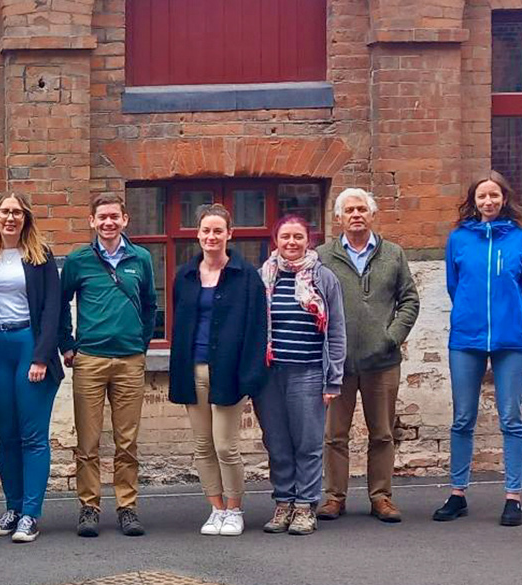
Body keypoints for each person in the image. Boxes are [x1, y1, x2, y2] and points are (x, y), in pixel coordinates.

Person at [436, 172, 522, 526]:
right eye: (482, 196)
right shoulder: (459, 239)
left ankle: (513, 497)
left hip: (511, 339)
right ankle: (457, 493)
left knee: (511, 418)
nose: (488, 201)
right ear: (474, 201)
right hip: (467, 338)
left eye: (494, 195)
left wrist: (507, 316)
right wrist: (471, 314)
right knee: (463, 418)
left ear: (504, 199)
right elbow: (454, 285)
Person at [316, 188, 420, 523]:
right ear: (338, 218)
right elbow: (313, 302)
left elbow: (409, 300)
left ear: (373, 215)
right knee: (334, 436)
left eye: (362, 209)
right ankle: (334, 497)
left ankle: (381, 497)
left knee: (382, 433)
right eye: (349, 211)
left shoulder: (393, 254)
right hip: (338, 363)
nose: (356, 215)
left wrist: (392, 337)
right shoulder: (323, 256)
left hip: (382, 362)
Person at [0, 192, 67, 544]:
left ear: (26, 218)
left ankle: (30, 513)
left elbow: (53, 309)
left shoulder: (41, 257)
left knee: (32, 435)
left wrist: (41, 356)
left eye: (16, 212)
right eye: (4, 212)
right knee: (5, 435)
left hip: (29, 344)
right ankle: (12, 508)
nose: (10, 218)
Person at [60, 191, 157, 538]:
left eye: (114, 216)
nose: (108, 222)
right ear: (92, 221)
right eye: (102, 217)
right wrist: (66, 344)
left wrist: (141, 345)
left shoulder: (141, 258)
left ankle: (127, 507)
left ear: (125, 219)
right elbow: (60, 304)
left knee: (127, 442)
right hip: (90, 360)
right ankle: (89, 507)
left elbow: (150, 305)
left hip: (129, 360)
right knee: (88, 443)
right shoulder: (79, 260)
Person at [167, 204, 268, 537]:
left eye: (218, 231)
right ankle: (216, 508)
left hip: (229, 371)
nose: (211, 237)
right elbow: (179, 325)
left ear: (229, 234)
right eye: (206, 231)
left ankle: (235, 509)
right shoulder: (185, 275)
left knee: (225, 445)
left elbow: (257, 328)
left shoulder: (246, 276)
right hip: (192, 369)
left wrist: (250, 373)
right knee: (203, 445)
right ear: (197, 234)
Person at [253, 214, 347, 536]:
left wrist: (333, 378)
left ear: (309, 241)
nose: (291, 242)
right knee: (277, 443)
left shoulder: (324, 278)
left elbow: (336, 331)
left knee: (307, 443)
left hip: (309, 372)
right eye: (285, 237)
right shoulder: (264, 277)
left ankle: (305, 506)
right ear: (275, 241)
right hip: (270, 376)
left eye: (298, 237)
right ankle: (283, 503)